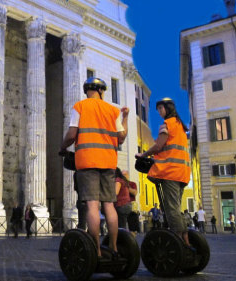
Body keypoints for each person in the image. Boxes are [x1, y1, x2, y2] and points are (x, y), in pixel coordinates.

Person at [59, 77, 129, 257]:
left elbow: (71, 134)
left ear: (87, 90)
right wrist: (125, 118)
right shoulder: (112, 110)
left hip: (87, 161)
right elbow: (121, 137)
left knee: (92, 206)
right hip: (108, 162)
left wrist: (63, 147)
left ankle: (96, 250)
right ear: (101, 91)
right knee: (109, 206)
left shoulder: (80, 107)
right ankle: (113, 248)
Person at [136, 97, 192, 248]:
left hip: (170, 172)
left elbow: (158, 146)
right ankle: (185, 240)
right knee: (176, 207)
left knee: (171, 209)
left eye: (161, 108)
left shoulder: (167, 124)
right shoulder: (180, 125)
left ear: (168, 108)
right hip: (183, 173)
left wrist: (143, 154)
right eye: (158, 109)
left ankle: (179, 240)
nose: (159, 112)